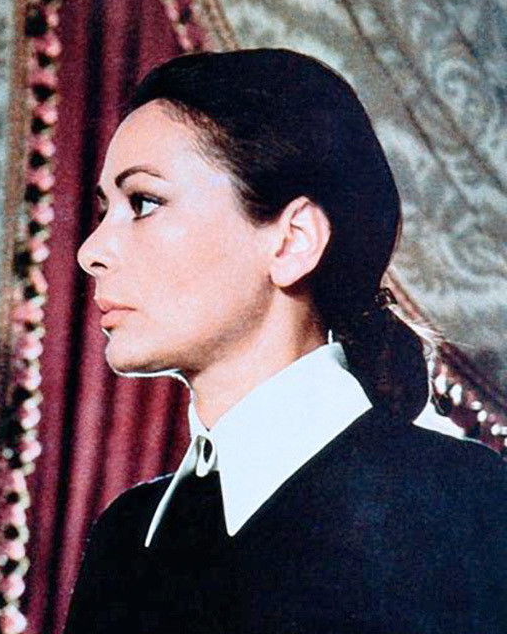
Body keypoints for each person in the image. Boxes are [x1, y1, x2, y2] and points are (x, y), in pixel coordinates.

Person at [64, 49, 507, 633]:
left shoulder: (465, 506)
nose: (90, 251)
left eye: (143, 203)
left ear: (293, 240)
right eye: (105, 210)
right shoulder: (127, 537)